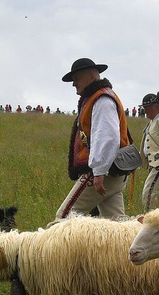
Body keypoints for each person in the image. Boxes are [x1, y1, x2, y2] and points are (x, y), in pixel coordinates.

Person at [56, 57, 131, 219]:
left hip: (105, 170)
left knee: (64, 217)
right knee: (116, 227)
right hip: (112, 171)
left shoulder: (101, 99)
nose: (74, 83)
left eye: (76, 79)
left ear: (91, 76)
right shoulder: (98, 97)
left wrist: (99, 171)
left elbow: (108, 138)